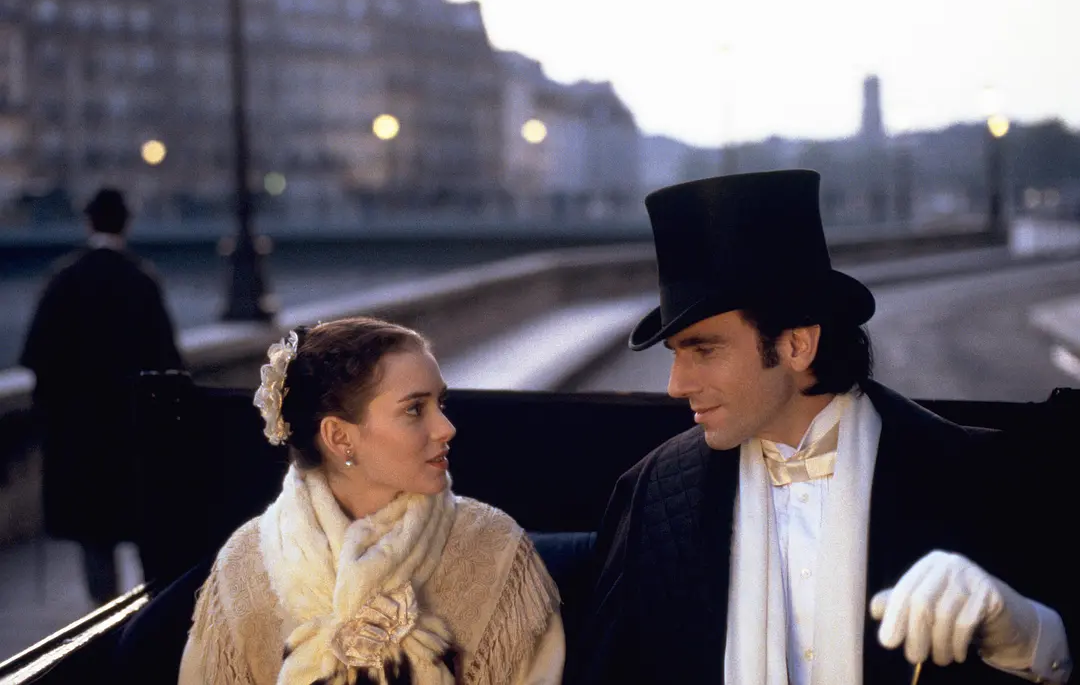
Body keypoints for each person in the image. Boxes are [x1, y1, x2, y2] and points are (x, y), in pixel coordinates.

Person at [567, 170, 1074, 685]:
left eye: (704, 350)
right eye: (676, 353)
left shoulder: (967, 472)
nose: (676, 385)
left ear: (796, 345)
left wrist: (1024, 633)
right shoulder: (652, 495)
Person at [179, 317, 564, 685]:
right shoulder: (243, 565)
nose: (446, 428)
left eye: (441, 404)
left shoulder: (495, 548)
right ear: (339, 437)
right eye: (415, 409)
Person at [20, 187, 183, 606]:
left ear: (88, 221)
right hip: (134, 433)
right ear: (126, 223)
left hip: (81, 437)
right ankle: (150, 617)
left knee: (95, 536)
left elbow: (37, 357)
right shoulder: (141, 280)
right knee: (147, 532)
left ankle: (105, 617)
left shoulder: (65, 280)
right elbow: (169, 363)